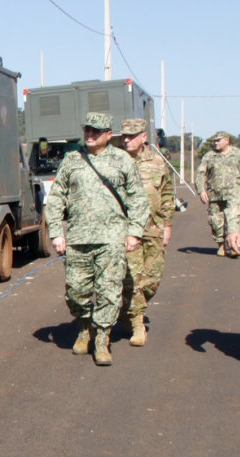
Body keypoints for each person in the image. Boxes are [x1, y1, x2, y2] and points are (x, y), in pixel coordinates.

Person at [45, 112, 150, 366]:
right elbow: (57, 196)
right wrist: (57, 233)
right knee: (76, 292)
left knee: (109, 291)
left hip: (112, 238)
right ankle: (84, 328)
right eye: (87, 130)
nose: (89, 135)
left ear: (108, 134)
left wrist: (134, 231)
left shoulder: (122, 160)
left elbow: (138, 198)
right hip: (78, 238)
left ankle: (102, 339)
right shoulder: (73, 160)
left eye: (96, 131)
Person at [118, 119, 174, 346]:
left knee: (153, 279)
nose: (127, 140)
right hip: (127, 230)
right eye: (124, 136)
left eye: (132, 136)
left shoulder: (157, 161)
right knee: (133, 279)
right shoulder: (117, 162)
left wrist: (167, 225)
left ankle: (127, 309)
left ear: (144, 137)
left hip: (154, 227)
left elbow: (167, 193)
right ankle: (137, 324)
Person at [195, 131, 240, 256]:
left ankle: (234, 245)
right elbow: (201, 173)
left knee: (233, 219)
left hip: (234, 193)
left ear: (227, 140)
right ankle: (221, 244)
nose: (216, 143)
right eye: (214, 141)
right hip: (215, 194)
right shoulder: (210, 156)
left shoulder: (237, 154)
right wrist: (201, 190)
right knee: (216, 222)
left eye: (218, 140)